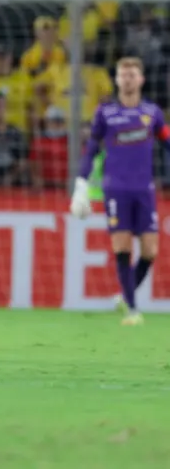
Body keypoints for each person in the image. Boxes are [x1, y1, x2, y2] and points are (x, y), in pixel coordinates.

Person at [70, 57, 165, 326]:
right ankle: (133, 310)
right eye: (123, 75)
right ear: (117, 80)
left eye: (132, 74)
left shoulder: (152, 113)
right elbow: (92, 150)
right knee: (122, 247)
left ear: (141, 79)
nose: (128, 79)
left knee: (150, 251)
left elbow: (167, 141)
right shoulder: (105, 113)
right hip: (116, 190)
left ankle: (125, 295)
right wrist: (81, 184)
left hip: (144, 190)